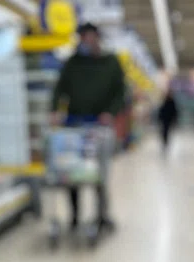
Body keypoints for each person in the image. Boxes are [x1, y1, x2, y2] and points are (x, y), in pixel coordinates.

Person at [51, 22, 126, 231]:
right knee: (71, 173)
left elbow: (121, 93)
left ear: (97, 38)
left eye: (89, 37)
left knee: (99, 174)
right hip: (74, 124)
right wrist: (55, 110)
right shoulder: (72, 63)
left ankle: (102, 216)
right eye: (82, 37)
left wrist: (109, 113)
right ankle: (74, 217)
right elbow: (60, 89)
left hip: (100, 127)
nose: (85, 41)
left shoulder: (111, 63)